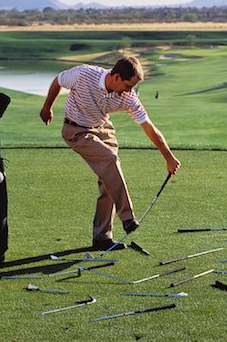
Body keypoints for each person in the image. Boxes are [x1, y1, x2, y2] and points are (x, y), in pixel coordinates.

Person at [40, 56, 180, 250]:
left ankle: (102, 237)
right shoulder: (83, 74)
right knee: (110, 159)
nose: (130, 91)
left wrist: (169, 157)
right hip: (76, 130)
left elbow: (148, 127)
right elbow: (59, 80)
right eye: (128, 85)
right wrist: (47, 107)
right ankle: (128, 217)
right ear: (115, 77)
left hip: (103, 129)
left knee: (109, 182)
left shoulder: (128, 97)